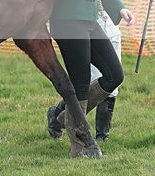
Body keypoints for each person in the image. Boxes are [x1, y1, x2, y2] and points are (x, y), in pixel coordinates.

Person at [45, 0, 135, 156]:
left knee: (115, 75)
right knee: (81, 83)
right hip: (67, 19)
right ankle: (80, 146)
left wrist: (120, 9)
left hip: (90, 20)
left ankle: (61, 117)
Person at [47, 9, 122, 142]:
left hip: (107, 22)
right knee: (85, 81)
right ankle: (65, 121)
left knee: (113, 80)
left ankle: (102, 135)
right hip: (80, 19)